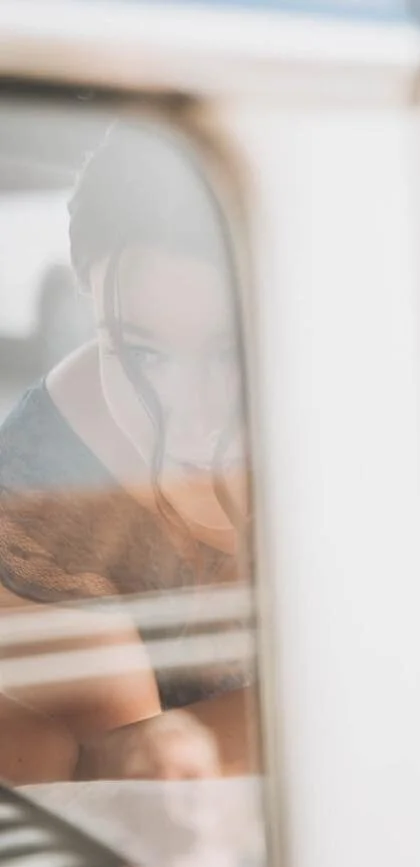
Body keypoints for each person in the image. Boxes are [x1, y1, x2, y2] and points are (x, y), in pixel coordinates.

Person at [0, 122, 256, 784]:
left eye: (235, 351)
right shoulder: (38, 551)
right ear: (89, 297)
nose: (190, 417)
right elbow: (149, 813)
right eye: (142, 353)